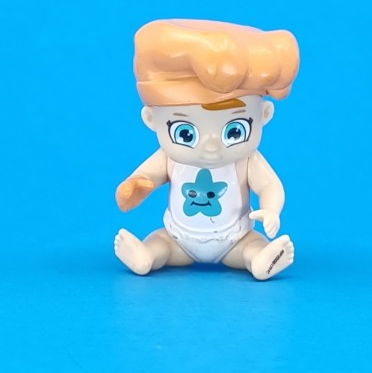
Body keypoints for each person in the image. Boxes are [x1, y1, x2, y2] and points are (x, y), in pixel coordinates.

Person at [114, 19, 299, 280]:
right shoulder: (168, 158)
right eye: (185, 133)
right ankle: (146, 257)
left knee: (251, 246)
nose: (211, 147)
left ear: (264, 115)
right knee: (161, 243)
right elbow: (147, 176)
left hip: (235, 238)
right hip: (179, 237)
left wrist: (271, 210)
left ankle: (259, 260)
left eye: (234, 131)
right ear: (151, 120)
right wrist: (135, 186)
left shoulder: (246, 160)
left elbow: (269, 185)